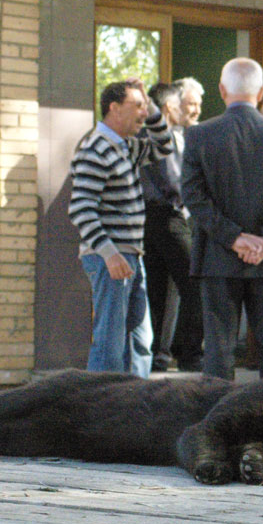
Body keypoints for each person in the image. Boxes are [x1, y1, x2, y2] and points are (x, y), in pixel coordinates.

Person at [182, 58, 263, 380]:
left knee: (219, 347)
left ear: (222, 90)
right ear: (262, 91)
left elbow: (193, 196)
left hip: (217, 257)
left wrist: (234, 237)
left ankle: (215, 419)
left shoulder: (199, 135)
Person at [68, 78, 173, 378]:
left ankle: (135, 401)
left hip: (129, 256)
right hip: (111, 258)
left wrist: (151, 108)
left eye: (145, 106)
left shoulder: (124, 146)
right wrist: (109, 254)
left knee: (141, 341)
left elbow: (164, 145)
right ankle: (99, 406)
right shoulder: (96, 148)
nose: (143, 113)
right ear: (114, 108)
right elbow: (81, 209)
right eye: (137, 106)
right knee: (110, 342)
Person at [140, 82, 203, 372]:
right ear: (168, 108)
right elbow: (172, 179)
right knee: (195, 281)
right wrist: (192, 200)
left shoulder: (152, 134)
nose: (186, 111)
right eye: (181, 105)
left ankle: (160, 355)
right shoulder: (157, 137)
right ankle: (188, 353)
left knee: (162, 289)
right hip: (168, 216)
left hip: (152, 219)